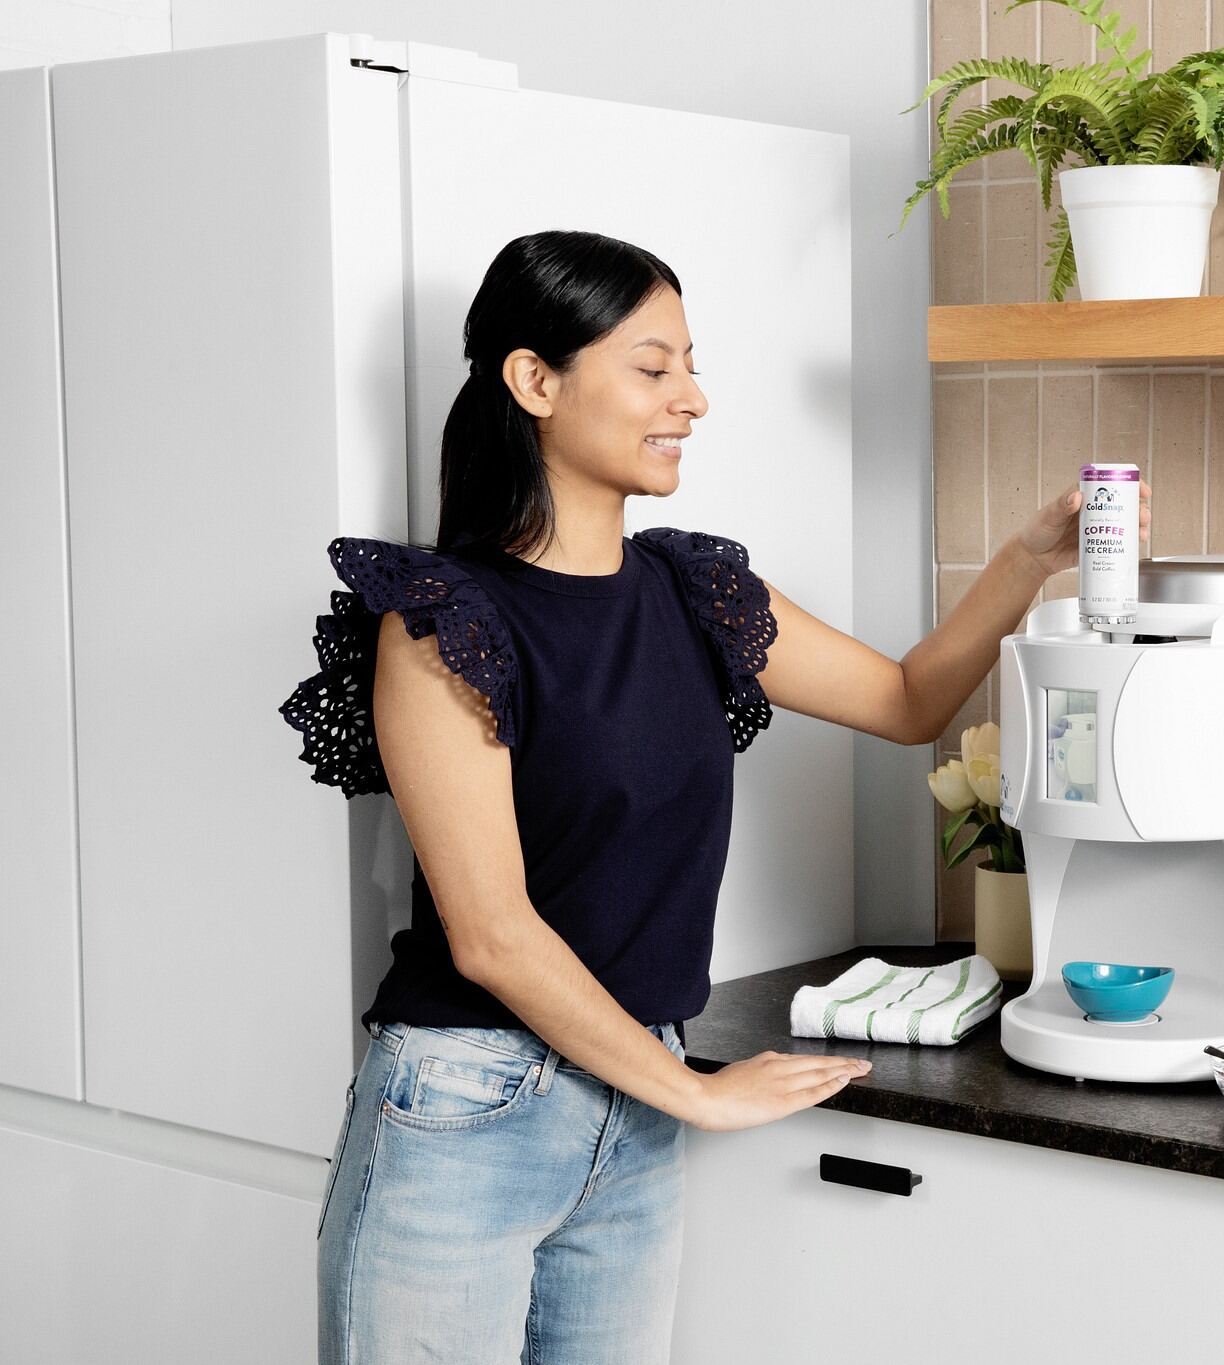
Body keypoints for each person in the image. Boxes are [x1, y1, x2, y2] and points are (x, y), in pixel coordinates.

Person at [278, 228, 1147, 1363]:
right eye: (652, 368)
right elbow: (491, 936)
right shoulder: (444, 619)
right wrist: (701, 1094)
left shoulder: (692, 589)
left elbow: (903, 700)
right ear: (534, 381)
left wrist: (1030, 560)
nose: (691, 397)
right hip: (465, 1109)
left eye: (689, 363)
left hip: (630, 1101)